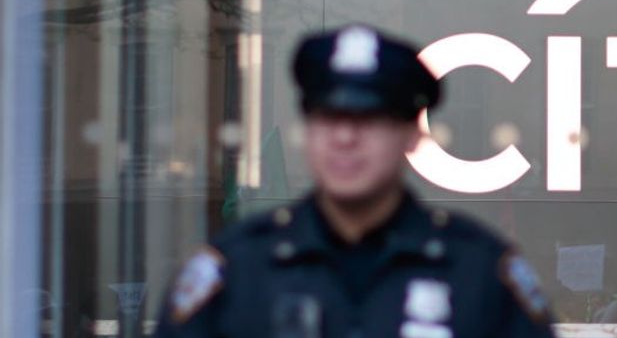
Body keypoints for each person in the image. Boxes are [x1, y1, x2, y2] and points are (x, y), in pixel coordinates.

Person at [153, 25, 556, 338]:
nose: (345, 138)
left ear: (412, 134)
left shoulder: (477, 272)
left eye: (369, 120)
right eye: (328, 118)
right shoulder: (240, 271)